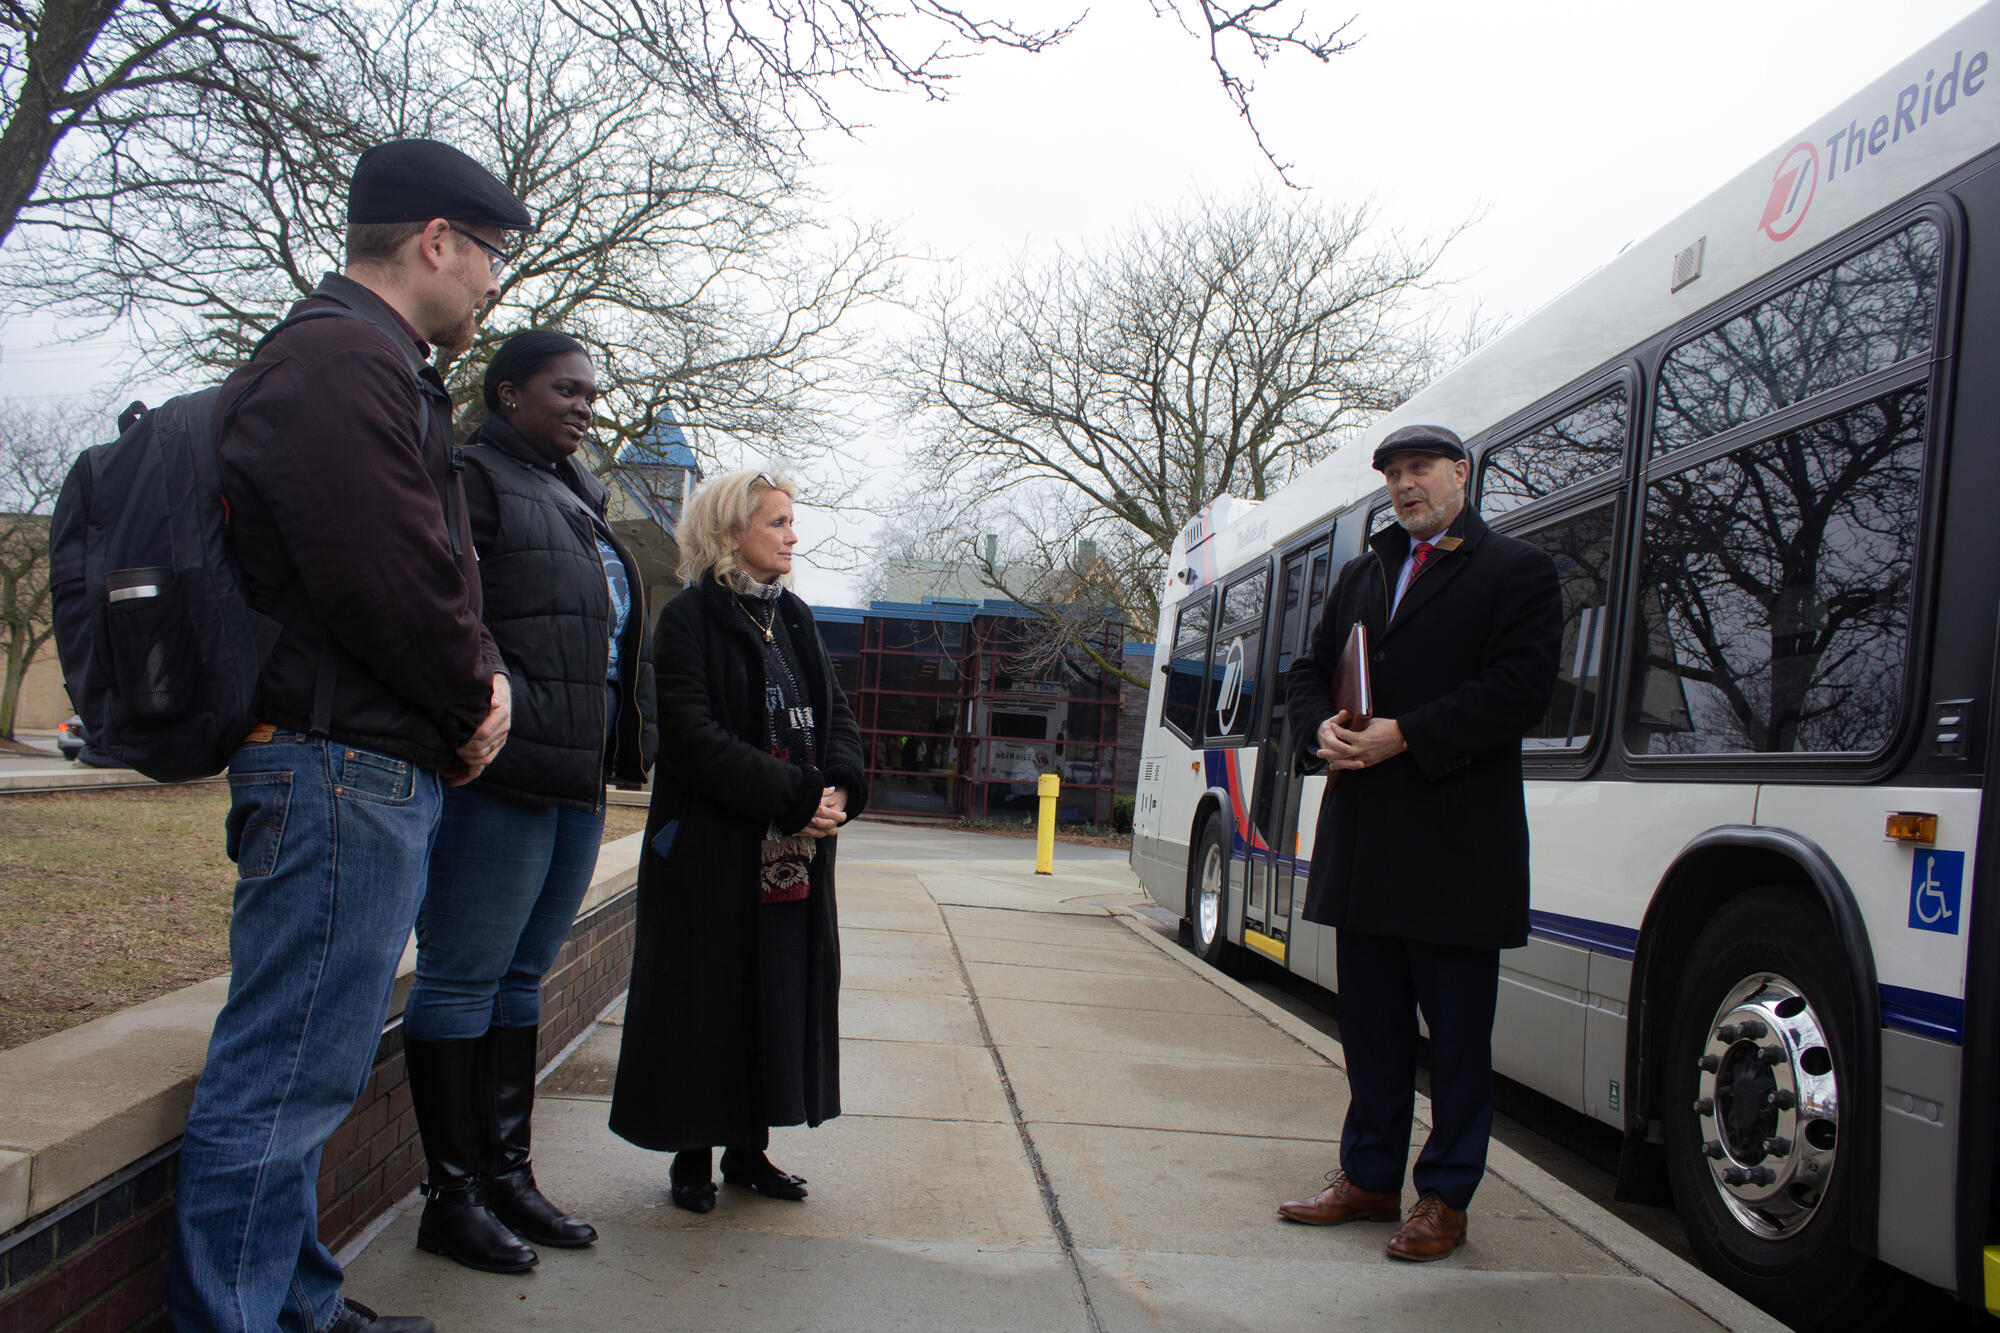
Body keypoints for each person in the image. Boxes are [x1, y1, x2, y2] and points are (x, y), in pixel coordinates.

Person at [168, 139, 532, 1333]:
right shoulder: (337, 364)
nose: (491, 286)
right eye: (488, 258)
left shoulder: (369, 364)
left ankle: (295, 1302)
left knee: (311, 1077)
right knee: (283, 1078)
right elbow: (389, 579)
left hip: (357, 765)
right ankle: (241, 1318)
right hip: (336, 766)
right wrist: (473, 696)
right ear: (436, 240)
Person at [400, 330, 658, 1273]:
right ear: (507, 394)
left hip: (573, 781)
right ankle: (453, 1194)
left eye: (594, 390)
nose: (587, 404)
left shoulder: (579, 499)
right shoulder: (470, 478)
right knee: (463, 977)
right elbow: (451, 616)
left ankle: (508, 1176)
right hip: (499, 778)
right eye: (567, 388)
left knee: (519, 980)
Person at [1278, 424, 1562, 1262]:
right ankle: (1368, 1178)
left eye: (1420, 470)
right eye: (1394, 473)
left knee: (1460, 1041)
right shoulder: (1364, 573)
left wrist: (1408, 735)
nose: (1405, 485)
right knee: (1369, 1030)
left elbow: (1520, 691)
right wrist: (1317, 729)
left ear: (1460, 474)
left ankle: (1445, 1196)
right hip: (1365, 845)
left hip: (1457, 853)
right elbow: (1307, 672)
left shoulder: (1518, 571)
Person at [607, 469, 867, 1212]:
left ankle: (749, 1151)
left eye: (791, 521)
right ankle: (693, 1152)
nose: (792, 535)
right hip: (710, 855)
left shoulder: (796, 618)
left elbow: (839, 715)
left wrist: (839, 789)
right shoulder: (688, 619)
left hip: (791, 857)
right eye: (778, 522)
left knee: (774, 997)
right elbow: (692, 737)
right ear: (729, 533)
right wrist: (794, 796)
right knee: (705, 998)